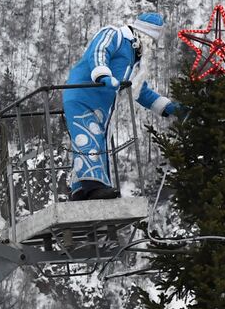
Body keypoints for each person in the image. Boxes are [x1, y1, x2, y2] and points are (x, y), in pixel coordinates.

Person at [64, 12, 180, 201]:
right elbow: (100, 51)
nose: (150, 47)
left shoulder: (133, 62)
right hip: (82, 94)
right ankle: (94, 187)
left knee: (95, 142)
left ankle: (80, 189)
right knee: (87, 137)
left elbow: (138, 89)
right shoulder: (115, 34)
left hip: (102, 106)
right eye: (150, 42)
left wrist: (167, 107)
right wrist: (103, 75)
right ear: (141, 36)